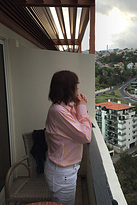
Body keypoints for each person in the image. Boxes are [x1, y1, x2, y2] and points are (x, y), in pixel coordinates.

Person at [44, 70, 92, 205]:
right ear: (68, 89)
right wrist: (82, 107)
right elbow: (85, 135)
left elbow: (76, 125)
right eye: (76, 85)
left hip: (64, 171)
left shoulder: (63, 108)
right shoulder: (58, 111)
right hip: (62, 173)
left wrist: (77, 105)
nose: (78, 88)